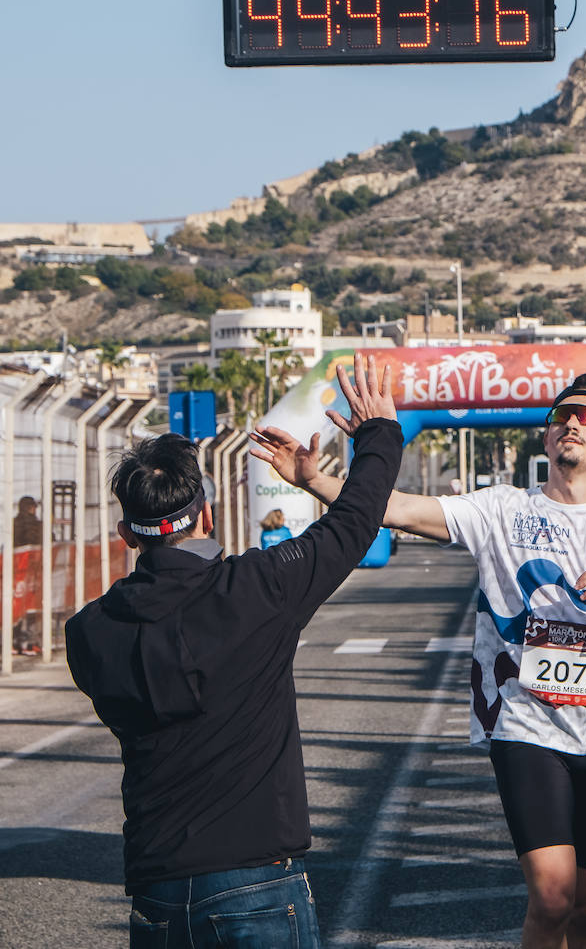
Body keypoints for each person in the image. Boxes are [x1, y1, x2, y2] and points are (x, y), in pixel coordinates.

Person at [255, 371, 586, 949]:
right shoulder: (501, 509)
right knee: (552, 898)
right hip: (525, 728)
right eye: (563, 416)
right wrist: (316, 478)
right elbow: (399, 511)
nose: (573, 423)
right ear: (546, 441)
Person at [64, 354, 402, 948]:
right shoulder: (258, 589)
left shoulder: (88, 632)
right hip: (257, 880)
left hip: (156, 886)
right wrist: (378, 433)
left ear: (126, 535)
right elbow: (354, 523)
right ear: (207, 514)